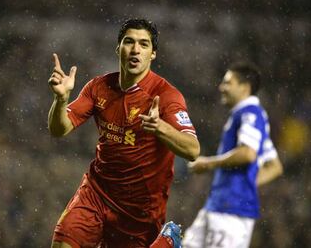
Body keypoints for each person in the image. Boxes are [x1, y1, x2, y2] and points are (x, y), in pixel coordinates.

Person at [47, 18, 200, 248]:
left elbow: (193, 150)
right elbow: (59, 129)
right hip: (96, 193)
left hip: (139, 211)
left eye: (144, 44)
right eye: (129, 42)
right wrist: (61, 100)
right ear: (118, 48)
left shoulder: (166, 96)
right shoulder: (98, 87)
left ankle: (166, 243)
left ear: (153, 54)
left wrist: (161, 127)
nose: (135, 49)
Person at [182, 61, 283, 248]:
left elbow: (248, 154)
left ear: (244, 87)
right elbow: (275, 166)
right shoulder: (248, 116)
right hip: (219, 205)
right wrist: (247, 182)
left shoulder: (250, 114)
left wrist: (209, 163)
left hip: (231, 211)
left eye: (228, 83)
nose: (221, 87)